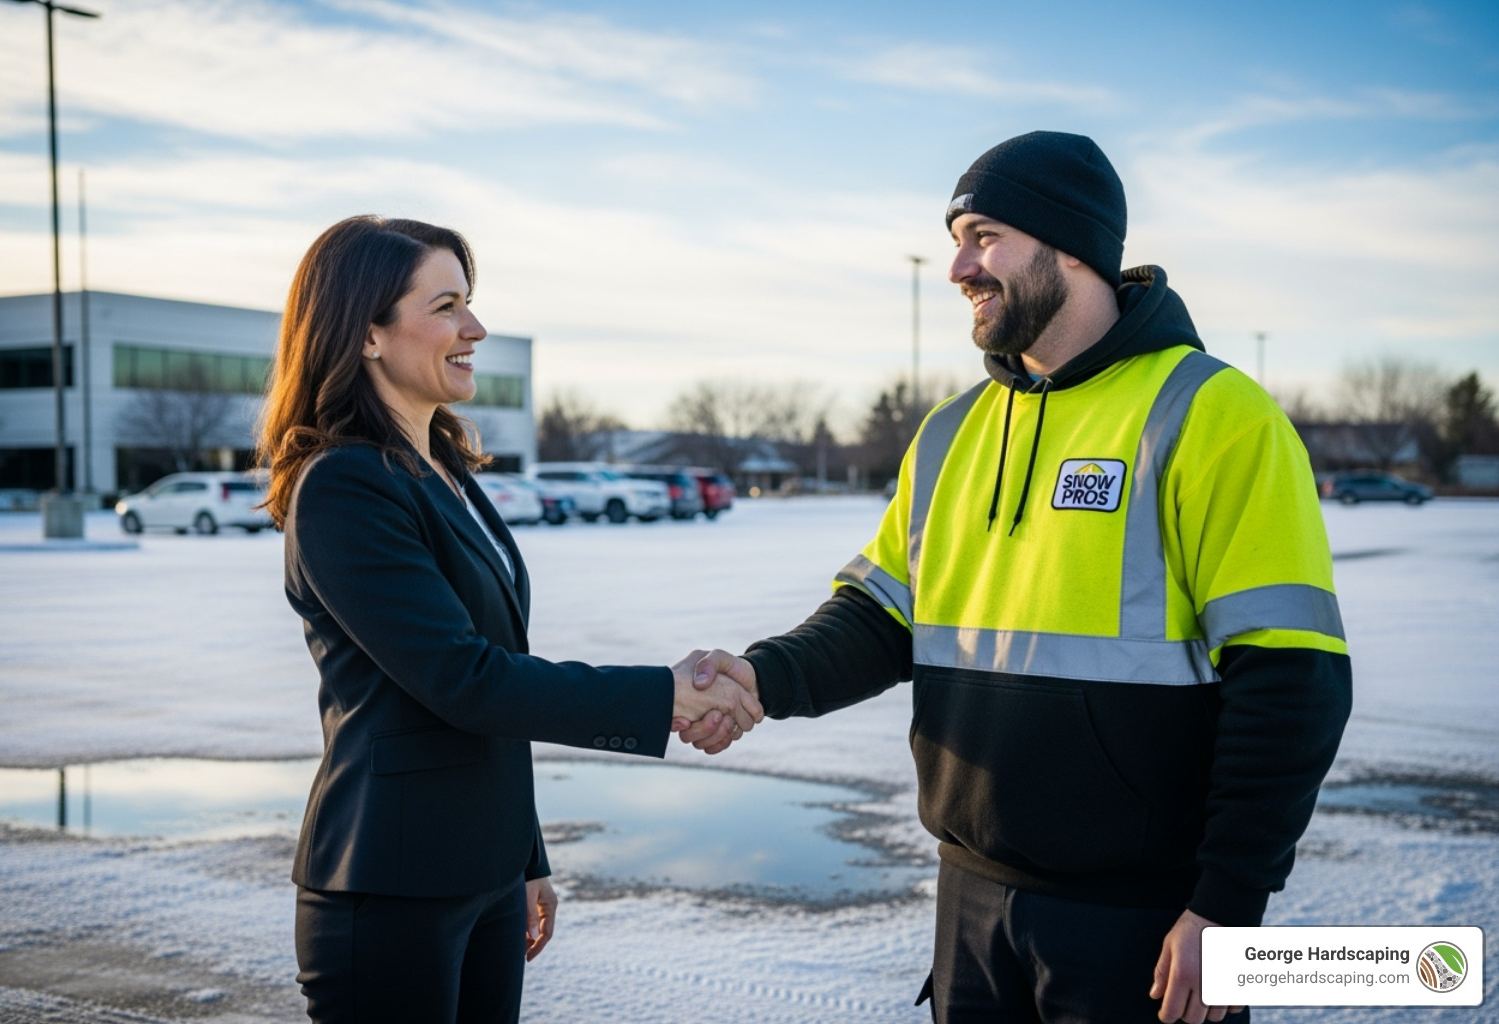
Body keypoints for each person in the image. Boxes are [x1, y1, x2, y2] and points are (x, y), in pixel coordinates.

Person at [681, 132, 1352, 1024]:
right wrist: (761, 676)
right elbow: (881, 617)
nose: (958, 265)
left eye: (985, 235)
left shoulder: (1214, 414)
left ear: (1071, 244)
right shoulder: (953, 431)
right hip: (971, 905)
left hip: (1144, 925)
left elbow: (1292, 680)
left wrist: (1228, 904)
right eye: (956, 238)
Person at [256, 215, 762, 1024]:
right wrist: (663, 695)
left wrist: (524, 855)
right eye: (447, 305)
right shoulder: (344, 486)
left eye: (471, 302)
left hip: (484, 871)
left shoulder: (442, 468)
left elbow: (494, 675)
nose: (475, 328)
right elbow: (462, 679)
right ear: (368, 335)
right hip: (389, 879)